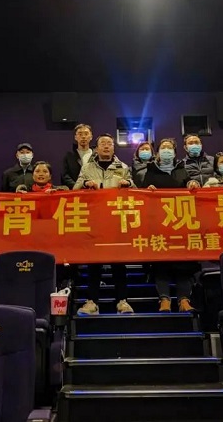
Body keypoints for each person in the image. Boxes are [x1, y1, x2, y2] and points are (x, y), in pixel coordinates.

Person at [74, 133, 134, 315]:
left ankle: (122, 301)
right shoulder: (87, 167)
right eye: (103, 144)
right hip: (95, 221)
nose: (106, 146)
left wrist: (128, 183)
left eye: (109, 143)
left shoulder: (123, 167)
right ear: (97, 148)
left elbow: (135, 191)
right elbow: (75, 190)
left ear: (114, 148)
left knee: (119, 263)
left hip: (116, 221)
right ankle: (92, 302)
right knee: (94, 263)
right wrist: (85, 184)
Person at [137, 138, 198, 312]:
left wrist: (193, 184)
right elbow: (142, 196)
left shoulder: (181, 169)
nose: (166, 150)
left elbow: (189, 188)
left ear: (175, 152)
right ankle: (164, 300)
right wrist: (147, 190)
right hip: (159, 224)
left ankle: (184, 300)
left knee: (183, 263)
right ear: (157, 152)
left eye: (169, 148)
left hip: (182, 222)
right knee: (161, 263)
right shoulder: (150, 171)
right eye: (163, 147)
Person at [61, 124, 94, 189]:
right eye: (80, 134)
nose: (83, 137)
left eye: (86, 134)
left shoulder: (96, 155)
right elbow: (65, 175)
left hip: (94, 189)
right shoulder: (69, 156)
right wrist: (77, 186)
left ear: (91, 137)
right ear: (75, 137)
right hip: (76, 190)